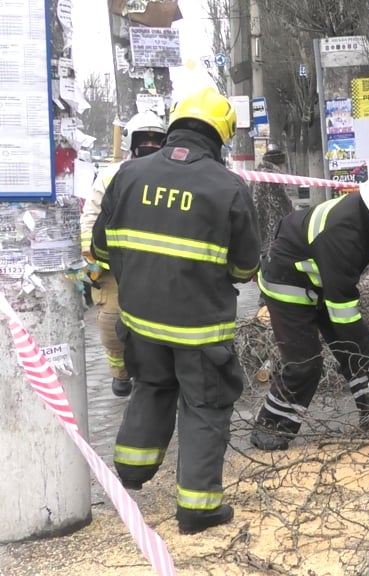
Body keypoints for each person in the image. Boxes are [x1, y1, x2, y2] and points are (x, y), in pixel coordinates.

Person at [91, 87, 261, 535]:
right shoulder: (228, 187)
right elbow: (245, 267)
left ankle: (129, 472)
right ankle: (199, 508)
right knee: (205, 405)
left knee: (151, 386)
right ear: (221, 134)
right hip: (199, 329)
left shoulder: (127, 175)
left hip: (141, 321)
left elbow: (101, 248)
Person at [251, 162, 369, 451]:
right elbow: (343, 311)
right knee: (305, 363)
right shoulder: (342, 231)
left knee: (353, 353)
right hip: (287, 281)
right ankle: (271, 427)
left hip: (323, 280)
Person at [80, 110, 167, 398]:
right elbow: (91, 218)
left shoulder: (170, 176)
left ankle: (155, 371)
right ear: (132, 142)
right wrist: (91, 263)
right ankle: (120, 373)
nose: (150, 146)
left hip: (157, 264)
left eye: (157, 140)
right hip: (114, 264)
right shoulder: (110, 177)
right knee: (111, 319)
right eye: (145, 140)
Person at [252, 142, 293, 258]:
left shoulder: (257, 173)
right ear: (279, 163)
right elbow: (283, 205)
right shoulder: (274, 177)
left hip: (257, 223)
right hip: (272, 226)